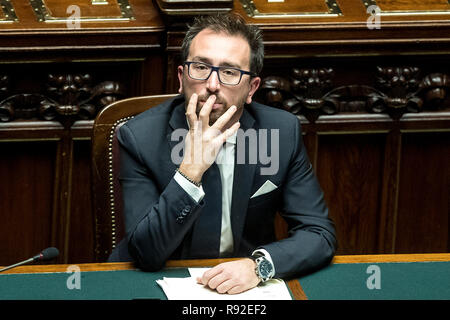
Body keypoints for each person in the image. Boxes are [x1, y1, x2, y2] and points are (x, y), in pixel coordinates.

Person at [115, 13, 337, 294]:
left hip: (247, 286)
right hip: (159, 282)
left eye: (230, 72)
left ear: (251, 88)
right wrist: (191, 171)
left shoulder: (281, 132)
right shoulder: (140, 138)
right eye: (200, 67)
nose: (212, 85)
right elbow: (146, 253)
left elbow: (318, 234)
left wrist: (259, 267)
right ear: (182, 77)